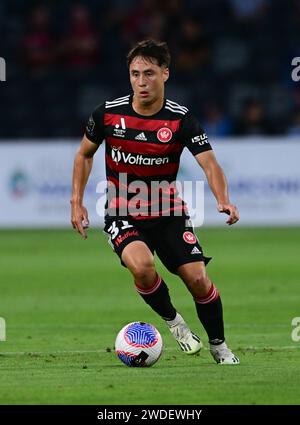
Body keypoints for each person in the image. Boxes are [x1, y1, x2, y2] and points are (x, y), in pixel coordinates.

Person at [71, 39, 240, 365]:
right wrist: (76, 201)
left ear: (165, 74)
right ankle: (175, 324)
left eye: (149, 73)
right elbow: (83, 155)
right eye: (135, 74)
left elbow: (210, 164)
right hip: (123, 210)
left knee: (198, 279)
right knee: (142, 266)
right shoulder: (107, 114)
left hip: (168, 212)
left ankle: (220, 347)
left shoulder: (181, 119)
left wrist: (224, 200)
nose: (141, 81)